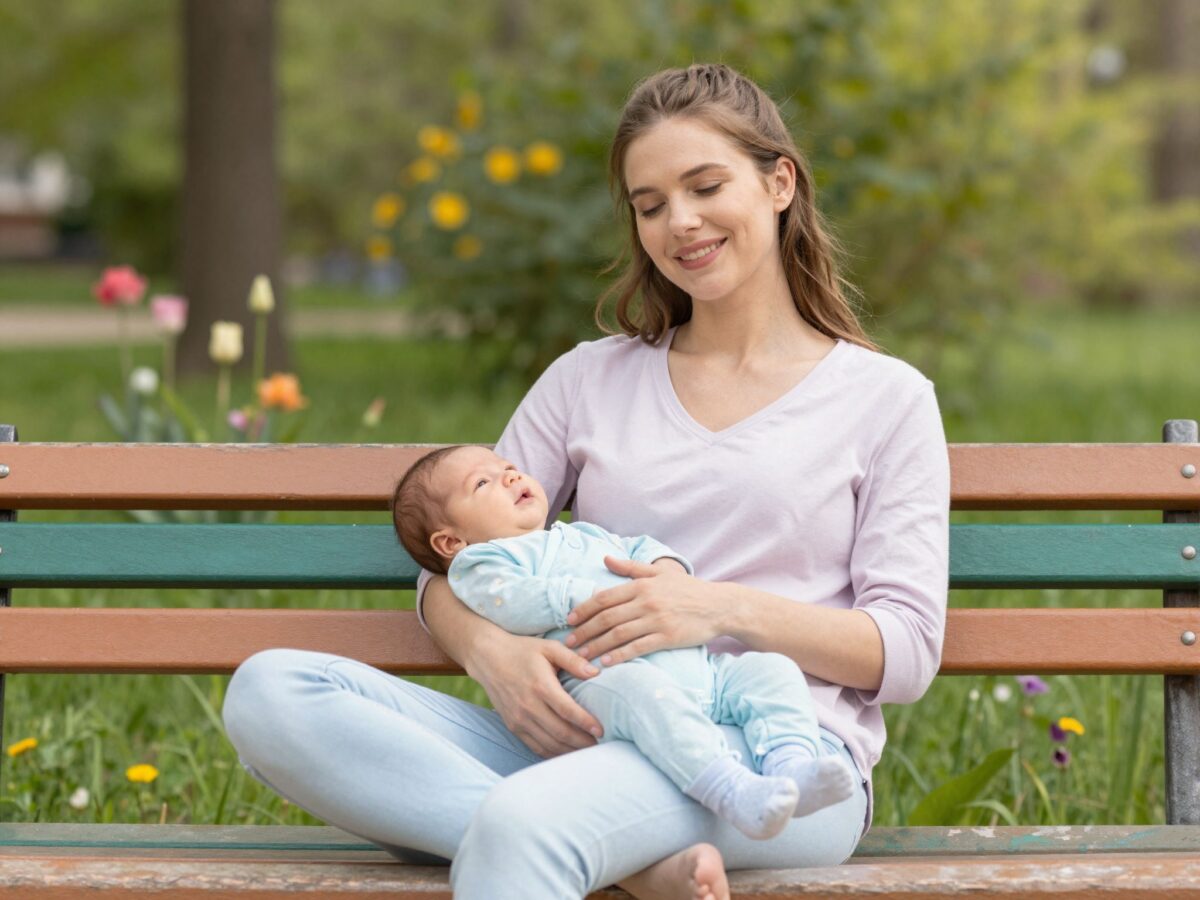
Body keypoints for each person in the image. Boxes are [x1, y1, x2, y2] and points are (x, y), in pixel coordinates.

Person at [222, 62, 949, 900]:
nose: (681, 222)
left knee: (525, 825)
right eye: (649, 205)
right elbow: (451, 563)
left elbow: (905, 650)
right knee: (271, 692)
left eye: (706, 185)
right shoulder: (588, 380)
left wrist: (717, 606)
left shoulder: (885, 399)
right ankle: (636, 868)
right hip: (588, 736)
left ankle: (580, 846)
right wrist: (494, 655)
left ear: (779, 182)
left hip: (775, 756)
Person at [393, 443, 860, 841]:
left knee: (770, 671)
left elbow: (639, 548)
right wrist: (580, 596)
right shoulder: (483, 563)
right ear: (451, 542)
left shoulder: (581, 535)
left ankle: (792, 763)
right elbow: (510, 602)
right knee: (645, 698)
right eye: (483, 483)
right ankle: (731, 790)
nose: (510, 474)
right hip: (603, 678)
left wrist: (669, 573)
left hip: (698, 669)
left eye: (507, 467)